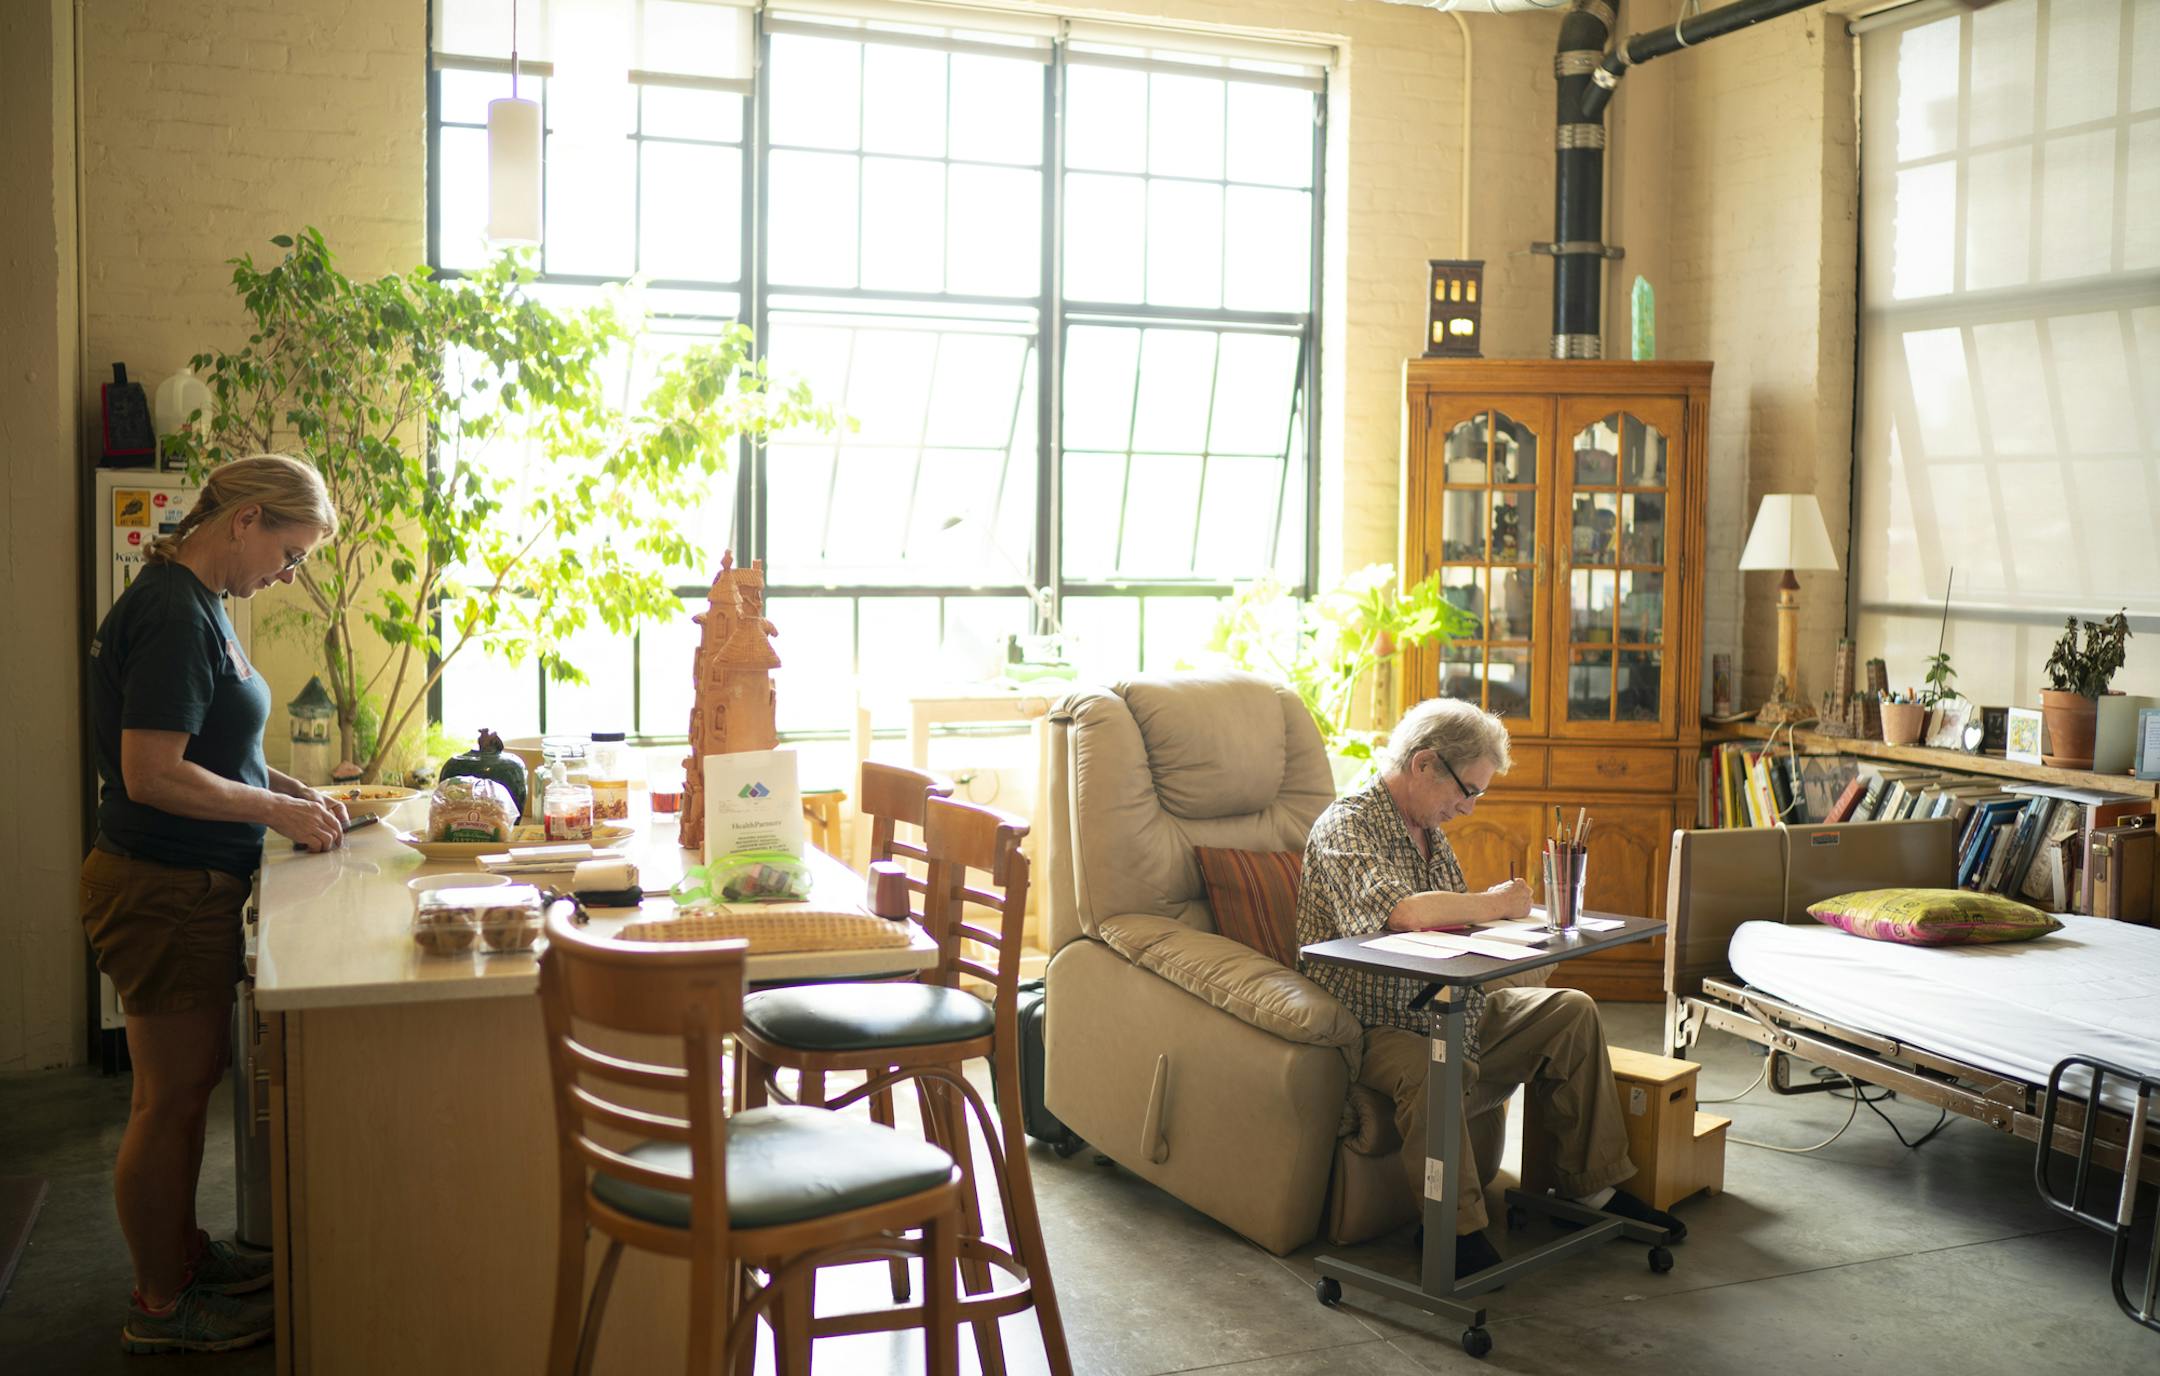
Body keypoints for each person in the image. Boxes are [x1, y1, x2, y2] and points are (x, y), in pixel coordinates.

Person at [82, 454, 347, 1354]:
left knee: (188, 1091)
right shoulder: (170, 611)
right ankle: (162, 1304)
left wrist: (290, 790)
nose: (287, 573)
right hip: (160, 886)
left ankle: (184, 1256)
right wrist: (276, 812)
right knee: (168, 1101)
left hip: (184, 884)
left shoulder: (198, 603)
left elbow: (214, 748)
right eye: (289, 552)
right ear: (245, 520)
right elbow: (153, 773)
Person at [1295, 698, 1684, 1280]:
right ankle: (1452, 1233)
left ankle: (1592, 1190)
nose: (1469, 807)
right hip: (1376, 1024)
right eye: (1468, 790)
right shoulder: (1347, 824)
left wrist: (1516, 932)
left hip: (1447, 1005)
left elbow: (1456, 922)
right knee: (1431, 1064)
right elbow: (1402, 912)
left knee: (1570, 1011)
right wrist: (1496, 902)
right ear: (1424, 764)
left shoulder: (1429, 831)